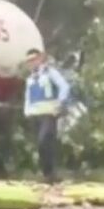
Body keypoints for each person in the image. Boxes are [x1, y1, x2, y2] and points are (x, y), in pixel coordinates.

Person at [23, 49, 72, 183]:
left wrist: (60, 103)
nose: (31, 63)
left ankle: (51, 173)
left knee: (44, 141)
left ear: (40, 59)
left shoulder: (49, 73)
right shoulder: (30, 78)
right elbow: (28, 97)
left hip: (49, 113)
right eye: (28, 61)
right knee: (41, 146)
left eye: (33, 59)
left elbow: (64, 86)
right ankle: (48, 174)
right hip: (35, 114)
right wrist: (26, 111)